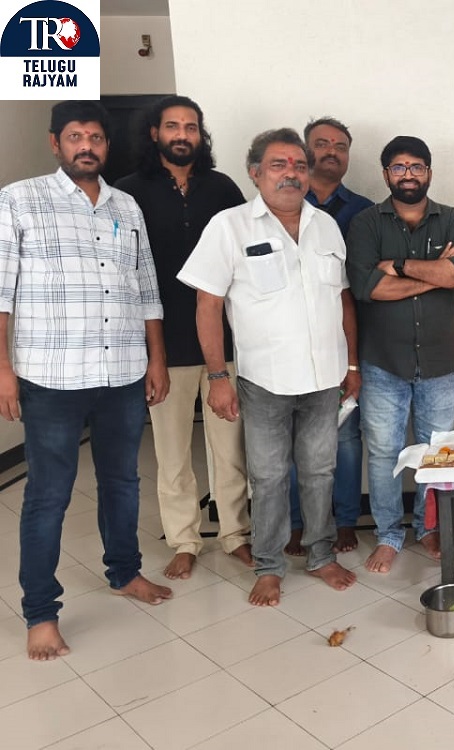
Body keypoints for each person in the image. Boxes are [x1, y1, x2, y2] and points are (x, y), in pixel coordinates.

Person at [0, 100, 173, 660]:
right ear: (56, 143)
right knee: (48, 495)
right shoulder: (19, 200)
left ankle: (124, 572)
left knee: (122, 481)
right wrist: (2, 370)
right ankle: (41, 613)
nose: (86, 147)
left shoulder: (126, 205)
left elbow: (147, 289)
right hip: (51, 377)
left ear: (106, 145)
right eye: (75, 137)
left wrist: (156, 359)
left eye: (95, 138)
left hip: (121, 371)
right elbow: (1, 294)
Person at [177, 128, 359, 606]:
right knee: (269, 476)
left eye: (299, 165)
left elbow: (342, 300)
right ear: (255, 173)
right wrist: (219, 377)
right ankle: (269, 566)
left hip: (324, 378)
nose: (291, 174)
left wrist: (351, 363)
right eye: (279, 165)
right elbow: (208, 305)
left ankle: (320, 555)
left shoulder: (326, 226)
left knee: (320, 471)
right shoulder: (230, 226)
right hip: (265, 380)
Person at [115, 95, 251, 581]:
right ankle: (184, 540)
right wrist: (147, 352)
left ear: (200, 134)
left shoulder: (223, 188)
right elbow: (122, 272)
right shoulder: (127, 192)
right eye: (172, 126)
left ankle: (235, 534)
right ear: (155, 133)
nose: (182, 134)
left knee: (230, 448)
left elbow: (245, 259)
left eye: (190, 127)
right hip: (162, 346)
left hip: (224, 344)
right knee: (171, 451)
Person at [345, 135, 454, 571]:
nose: (408, 174)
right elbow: (368, 288)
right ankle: (388, 534)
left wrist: (398, 266)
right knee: (384, 452)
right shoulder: (366, 224)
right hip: (382, 361)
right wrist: (435, 274)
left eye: (416, 166)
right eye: (399, 167)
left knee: (436, 451)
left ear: (429, 173)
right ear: (386, 174)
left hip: (441, 359)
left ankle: (428, 526)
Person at [282, 117, 374, 556]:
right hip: (292, 344)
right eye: (322, 144)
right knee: (294, 441)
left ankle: (344, 520)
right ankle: (298, 523)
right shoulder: (281, 205)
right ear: (305, 152)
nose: (331, 152)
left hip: (348, 341)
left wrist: (353, 359)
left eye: (340, 145)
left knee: (346, 437)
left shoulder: (366, 212)